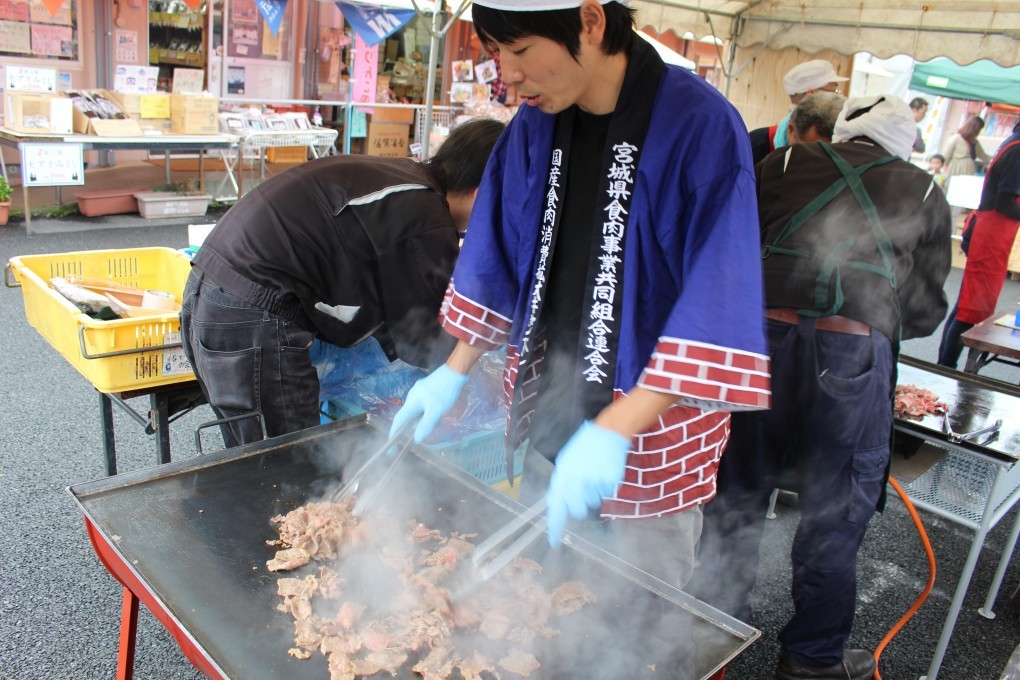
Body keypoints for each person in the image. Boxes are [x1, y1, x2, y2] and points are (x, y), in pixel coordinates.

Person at [389, 0, 771, 590]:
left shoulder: (699, 126)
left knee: (641, 619)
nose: (506, 75)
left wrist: (616, 427)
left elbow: (716, 299)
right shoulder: (533, 125)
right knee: (539, 603)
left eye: (518, 51)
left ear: (591, 21)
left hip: (651, 433)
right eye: (495, 52)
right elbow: (501, 254)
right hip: (551, 409)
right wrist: (455, 370)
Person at [690, 95, 951, 680]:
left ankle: (711, 631)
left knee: (737, 492)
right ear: (900, 148)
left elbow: (726, 248)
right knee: (835, 512)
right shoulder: (926, 191)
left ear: (842, 133)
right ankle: (811, 659)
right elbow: (926, 311)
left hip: (760, 344)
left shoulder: (782, 163)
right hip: (853, 352)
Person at [179, 118, 506, 448]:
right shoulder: (426, 217)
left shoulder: (406, 182)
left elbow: (397, 303)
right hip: (250, 311)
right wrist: (469, 380)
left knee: (256, 457)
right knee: (284, 469)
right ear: (486, 193)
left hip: (210, 288)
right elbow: (420, 337)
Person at [937, 121, 1020, 368]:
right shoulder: (1018, 149)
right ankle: (947, 369)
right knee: (970, 312)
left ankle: (944, 366)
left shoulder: (1013, 142)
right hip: (992, 232)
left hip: (991, 230)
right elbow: (1005, 203)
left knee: (966, 308)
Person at [749, 59, 848, 164]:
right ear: (811, 95)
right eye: (833, 92)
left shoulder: (840, 141)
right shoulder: (759, 143)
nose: (838, 97)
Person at [942, 115, 990, 188]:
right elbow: (946, 155)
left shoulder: (975, 142)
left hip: (969, 170)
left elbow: (983, 156)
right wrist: (944, 167)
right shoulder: (956, 138)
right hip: (956, 168)